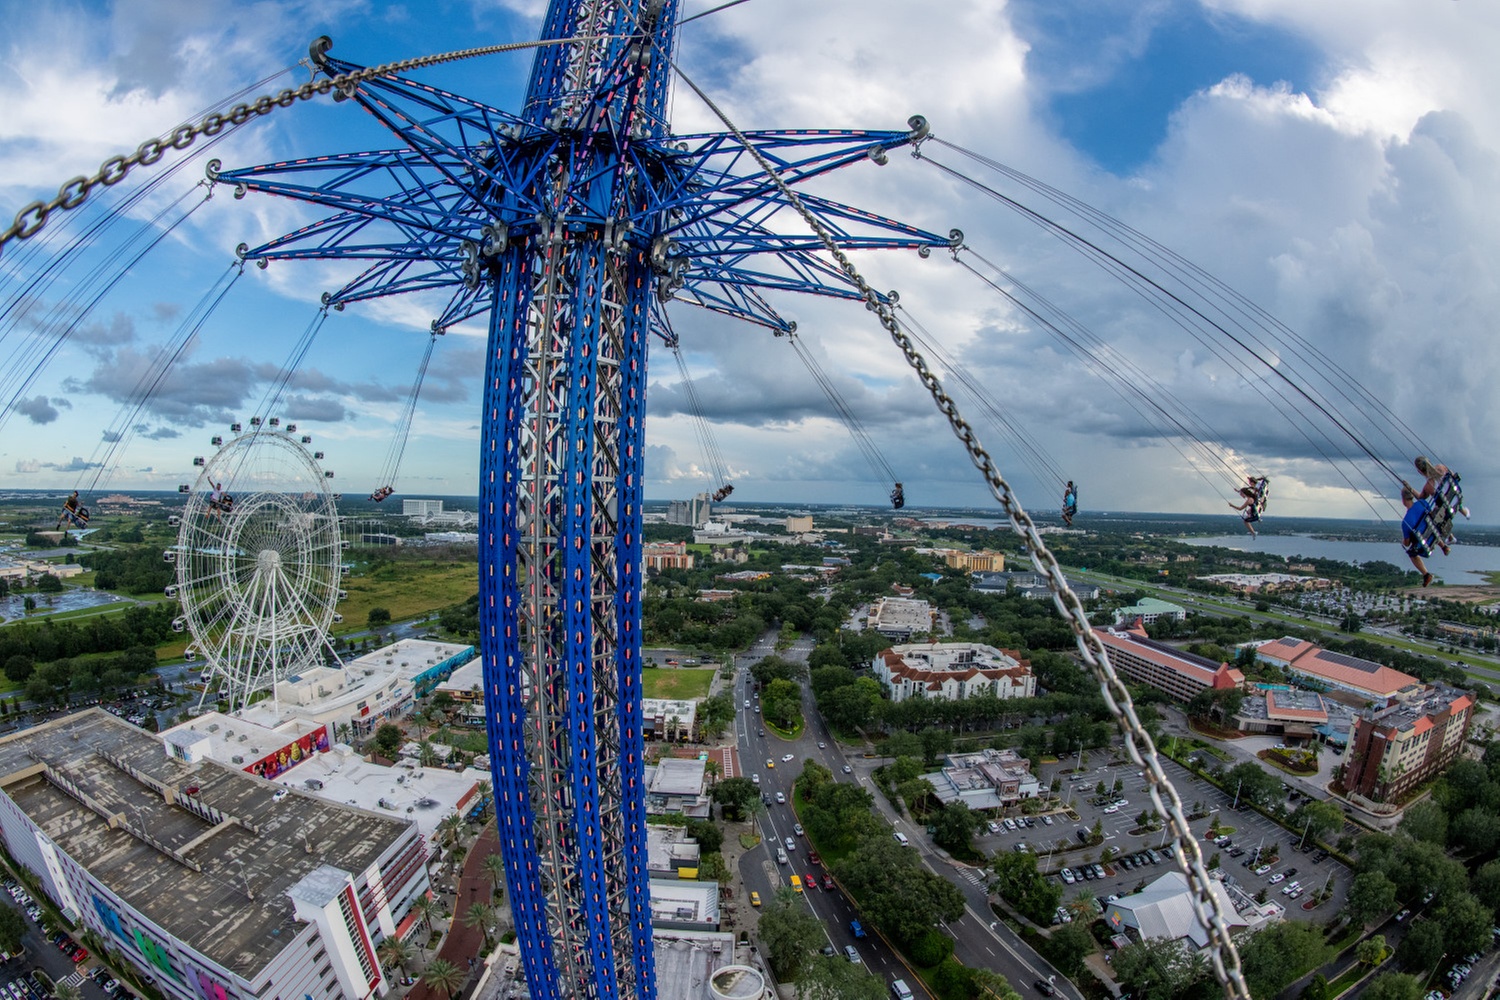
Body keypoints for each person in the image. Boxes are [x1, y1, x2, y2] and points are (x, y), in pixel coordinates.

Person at [1401, 485, 1441, 587]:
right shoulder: (1423, 503)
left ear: (1403, 500)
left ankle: (1426, 574)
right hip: (1434, 534)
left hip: (1422, 543)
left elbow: (1407, 543)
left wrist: (1403, 541)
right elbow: (1432, 515)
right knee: (1432, 526)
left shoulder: (1406, 522)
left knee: (1411, 553)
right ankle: (1443, 546)